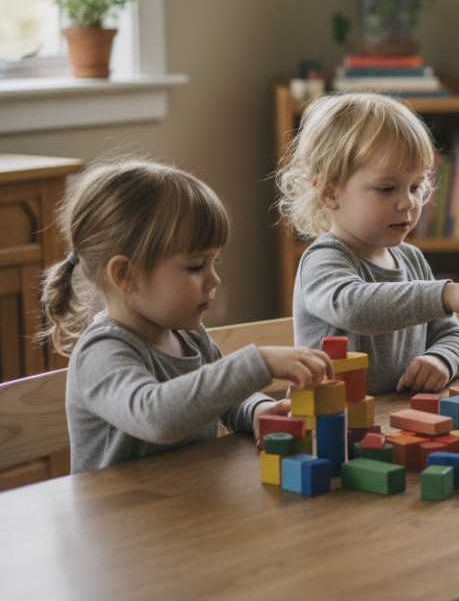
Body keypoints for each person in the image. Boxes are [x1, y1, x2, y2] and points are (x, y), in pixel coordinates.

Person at [40, 158, 334, 473]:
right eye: (196, 266)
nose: (214, 279)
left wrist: (259, 410)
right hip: (117, 517)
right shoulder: (101, 353)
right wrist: (257, 363)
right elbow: (155, 416)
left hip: (186, 502)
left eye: (214, 262)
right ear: (125, 274)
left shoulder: (190, 337)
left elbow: (223, 400)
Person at [276, 91, 459, 395]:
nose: (408, 202)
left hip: (396, 423)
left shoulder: (411, 259)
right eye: (386, 188)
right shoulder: (323, 260)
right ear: (329, 193)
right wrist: (445, 294)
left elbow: (453, 336)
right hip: (329, 426)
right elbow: (354, 307)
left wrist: (440, 360)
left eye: (416, 186)